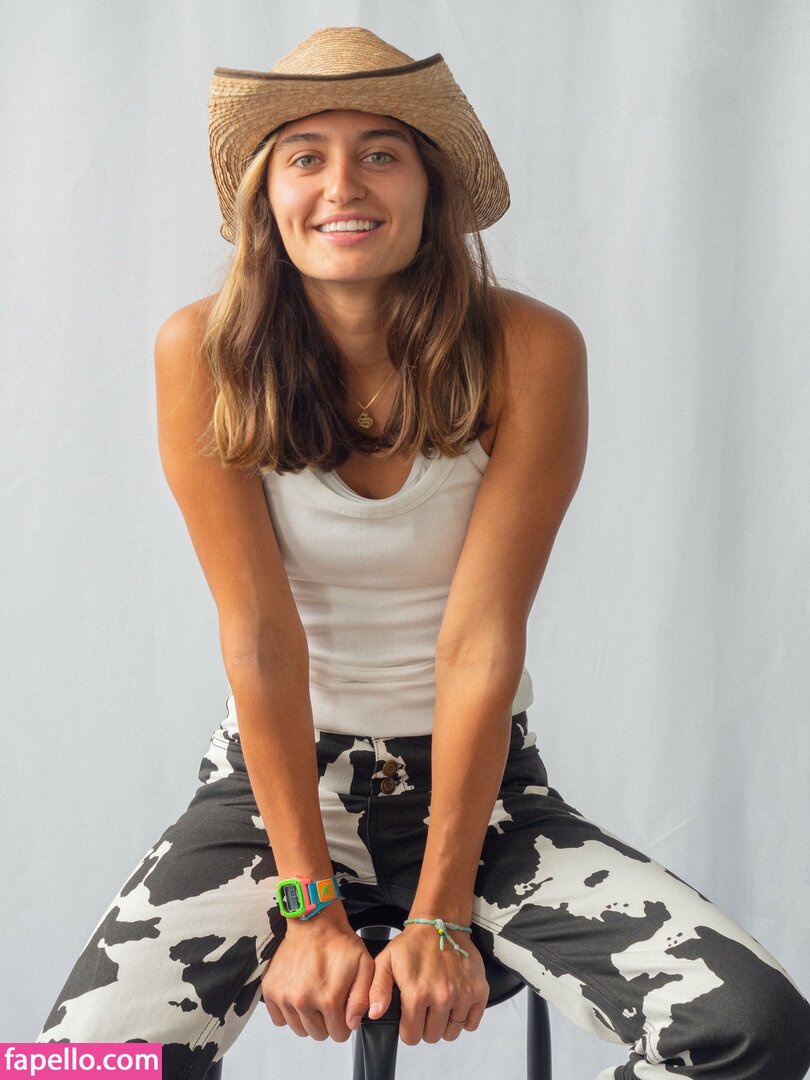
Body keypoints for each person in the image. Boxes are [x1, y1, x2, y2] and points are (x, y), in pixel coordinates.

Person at [36, 26, 810, 1080]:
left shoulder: (530, 349)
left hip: (481, 793)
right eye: (305, 155)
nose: (342, 185)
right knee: (67, 1069)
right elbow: (261, 641)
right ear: (268, 195)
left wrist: (442, 913)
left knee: (755, 1029)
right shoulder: (201, 353)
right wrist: (308, 904)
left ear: (430, 187)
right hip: (276, 792)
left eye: (380, 153)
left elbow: (481, 643)